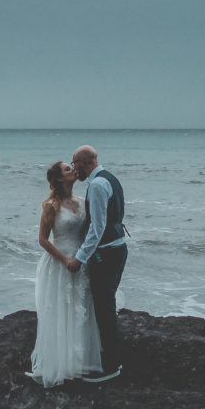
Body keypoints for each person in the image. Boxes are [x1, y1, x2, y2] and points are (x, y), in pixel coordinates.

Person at [30, 160, 102, 385]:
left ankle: (80, 361)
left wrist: (83, 258)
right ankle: (62, 363)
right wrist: (65, 260)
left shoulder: (82, 202)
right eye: (67, 169)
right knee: (63, 312)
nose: (73, 170)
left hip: (81, 262)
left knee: (81, 310)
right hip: (61, 263)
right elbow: (42, 239)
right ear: (59, 178)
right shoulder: (51, 205)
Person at [68, 144, 126, 381]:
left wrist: (80, 257)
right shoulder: (108, 178)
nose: (74, 169)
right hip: (116, 249)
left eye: (75, 164)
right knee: (104, 306)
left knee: (105, 309)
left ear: (84, 162)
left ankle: (111, 366)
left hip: (107, 254)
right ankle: (109, 359)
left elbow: (98, 227)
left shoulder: (99, 184)